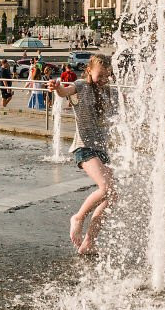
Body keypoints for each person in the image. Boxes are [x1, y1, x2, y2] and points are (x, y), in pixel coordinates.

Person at [49, 55, 116, 253]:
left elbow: (123, 104)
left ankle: (89, 241)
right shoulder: (81, 86)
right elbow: (64, 92)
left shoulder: (107, 91)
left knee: (112, 195)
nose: (104, 79)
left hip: (101, 149)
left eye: (107, 75)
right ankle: (78, 218)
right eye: (100, 75)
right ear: (89, 71)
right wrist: (57, 87)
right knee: (105, 188)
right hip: (84, 146)